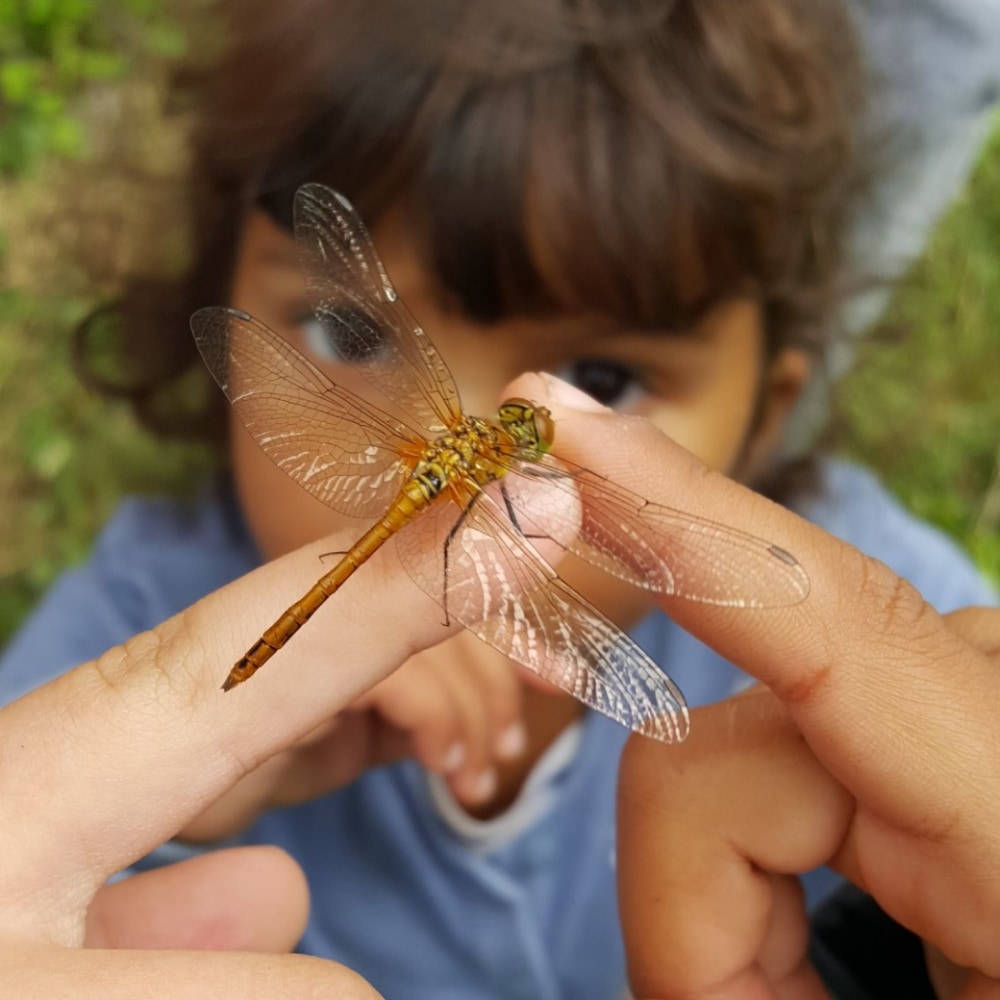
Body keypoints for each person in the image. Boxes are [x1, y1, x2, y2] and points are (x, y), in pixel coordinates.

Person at [0, 0, 995, 996]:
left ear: (767, 413)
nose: (506, 410)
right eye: (350, 334)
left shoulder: (876, 599)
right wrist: (188, 807)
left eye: (599, 382)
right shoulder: (135, 608)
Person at [3, 376, 999, 998]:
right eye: (340, 332)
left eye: (601, 376)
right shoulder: (146, 581)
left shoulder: (891, 572)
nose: (512, 389)